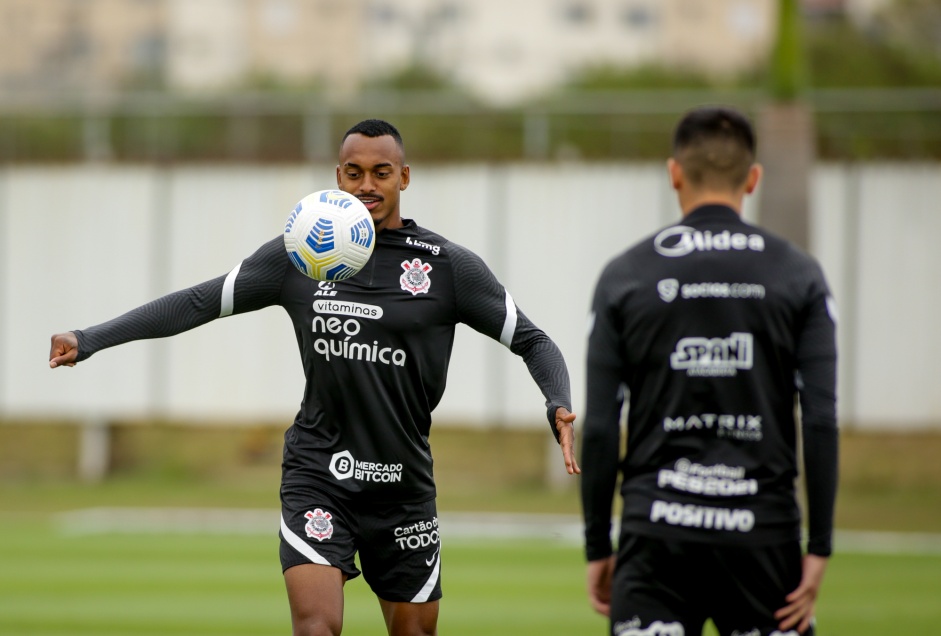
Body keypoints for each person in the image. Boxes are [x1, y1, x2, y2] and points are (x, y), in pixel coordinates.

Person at [49, 118, 580, 636]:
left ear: (405, 177)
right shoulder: (301, 253)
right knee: (316, 625)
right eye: (353, 172)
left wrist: (556, 401)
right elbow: (197, 301)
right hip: (319, 472)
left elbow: (534, 341)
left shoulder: (448, 267)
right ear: (338, 175)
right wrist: (90, 338)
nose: (366, 185)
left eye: (381, 172)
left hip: (403, 485)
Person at [579, 106, 838, 636]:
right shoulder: (798, 274)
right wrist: (820, 547)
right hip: (762, 538)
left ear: (674, 172)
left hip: (656, 539)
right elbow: (820, 420)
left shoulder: (626, 275)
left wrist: (597, 546)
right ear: (754, 177)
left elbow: (602, 426)